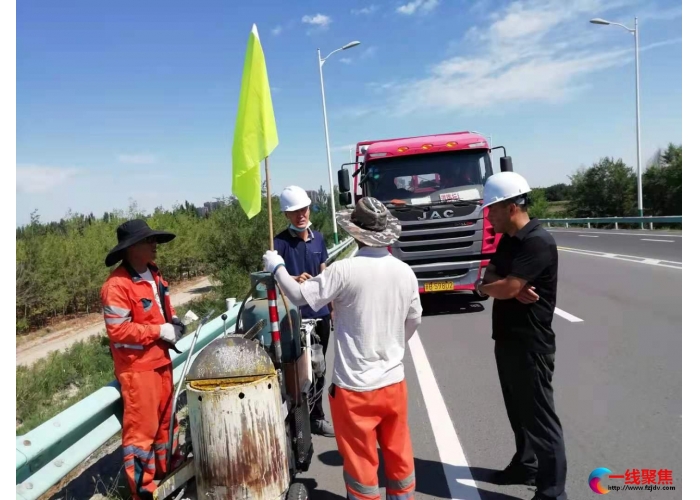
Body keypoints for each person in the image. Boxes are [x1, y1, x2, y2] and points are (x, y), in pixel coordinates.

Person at [263, 197, 422, 500]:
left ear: (355, 233)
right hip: (393, 383)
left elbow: (298, 295)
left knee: (362, 464)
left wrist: (277, 267)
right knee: (399, 453)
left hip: (355, 389)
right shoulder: (405, 272)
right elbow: (414, 320)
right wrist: (390, 346)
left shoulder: (344, 271)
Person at [474, 172, 568, 500]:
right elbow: (493, 276)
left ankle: (553, 491)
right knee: (518, 411)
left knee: (540, 418)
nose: (489, 216)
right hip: (508, 339)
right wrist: (496, 285)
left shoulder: (537, 241)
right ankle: (525, 465)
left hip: (531, 343)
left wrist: (498, 287)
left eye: (493, 210)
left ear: (512, 207)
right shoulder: (509, 241)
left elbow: (508, 286)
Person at [100, 219, 186, 500]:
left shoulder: (155, 275)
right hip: (138, 371)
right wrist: (159, 330)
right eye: (148, 241)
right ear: (131, 248)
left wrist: (173, 323)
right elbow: (118, 330)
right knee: (142, 435)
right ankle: (144, 492)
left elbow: (163, 311)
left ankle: (169, 475)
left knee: (165, 425)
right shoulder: (117, 286)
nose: (154, 245)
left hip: (161, 363)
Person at [274, 185, 334, 437]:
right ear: (287, 215)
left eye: (304, 209)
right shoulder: (279, 243)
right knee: (296, 370)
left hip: (320, 314)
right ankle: (298, 419)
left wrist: (332, 310)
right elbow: (276, 278)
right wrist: (294, 278)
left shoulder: (318, 238)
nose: (301, 215)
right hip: (294, 318)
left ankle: (317, 416)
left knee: (319, 368)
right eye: (295, 211)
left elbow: (325, 272)